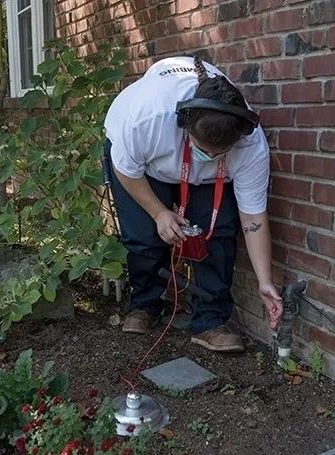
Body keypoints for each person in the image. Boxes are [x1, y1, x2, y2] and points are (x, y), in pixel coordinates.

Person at [103, 55, 281, 353]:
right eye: (203, 150)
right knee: (144, 235)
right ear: (186, 127)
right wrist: (160, 213)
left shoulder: (250, 145)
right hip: (145, 167)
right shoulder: (147, 120)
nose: (210, 158)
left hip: (208, 180)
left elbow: (254, 218)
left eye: (219, 153)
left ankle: (210, 322)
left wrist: (265, 281)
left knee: (218, 232)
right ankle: (146, 305)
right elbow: (126, 170)